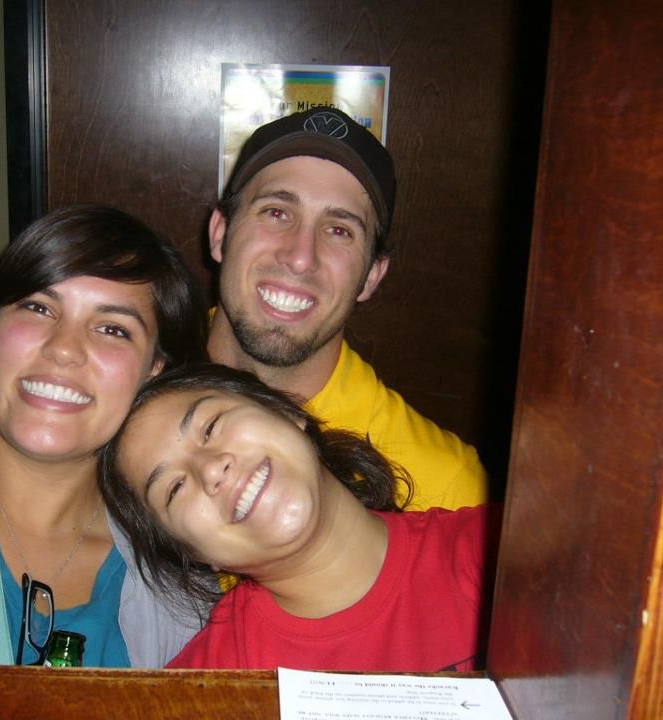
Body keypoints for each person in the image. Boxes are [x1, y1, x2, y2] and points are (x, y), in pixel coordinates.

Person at [99, 363, 498, 671]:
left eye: (211, 426)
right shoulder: (204, 689)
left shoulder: (502, 557)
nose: (210, 469)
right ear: (192, 552)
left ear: (286, 412)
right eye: (174, 489)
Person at [207, 107, 487, 510]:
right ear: (220, 234)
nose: (300, 257)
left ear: (372, 275)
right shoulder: (132, 379)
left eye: (339, 230)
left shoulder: (444, 490)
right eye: (276, 212)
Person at [0, 204, 209, 667]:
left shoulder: (180, 596)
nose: (63, 349)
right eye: (39, 307)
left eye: (112, 329)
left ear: (154, 371)